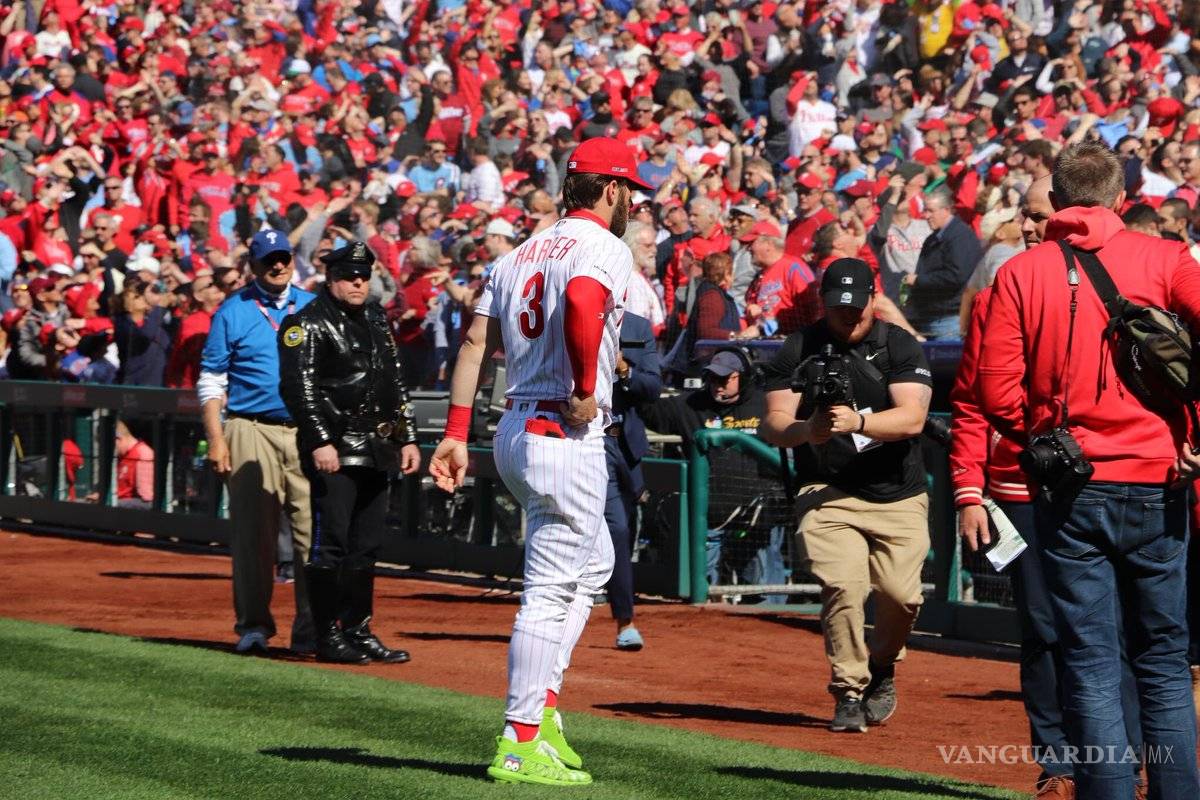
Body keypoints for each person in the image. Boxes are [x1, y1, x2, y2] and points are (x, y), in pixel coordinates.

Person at [979, 142, 1200, 799]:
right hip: (1159, 476)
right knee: (1161, 661)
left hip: (1072, 484)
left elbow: (995, 394)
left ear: (1058, 200)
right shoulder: (1164, 257)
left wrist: (1045, 435)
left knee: (1090, 661)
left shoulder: (1023, 271)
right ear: (1121, 200)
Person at [428, 136, 642, 786]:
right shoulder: (602, 245)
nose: (630, 202)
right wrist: (584, 387)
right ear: (610, 190)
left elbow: (473, 341)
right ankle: (520, 739)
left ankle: (543, 711)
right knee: (549, 590)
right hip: (561, 426)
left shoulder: (520, 250)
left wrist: (456, 431)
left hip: (516, 427)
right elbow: (581, 299)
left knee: (598, 560)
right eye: (628, 190)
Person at [761, 258, 933, 734]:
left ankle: (882, 666)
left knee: (902, 597)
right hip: (828, 490)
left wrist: (859, 422)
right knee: (844, 587)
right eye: (839, 307)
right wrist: (806, 429)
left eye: (858, 307)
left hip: (898, 493)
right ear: (823, 303)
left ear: (874, 301)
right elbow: (772, 422)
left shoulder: (898, 345)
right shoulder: (798, 346)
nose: (849, 316)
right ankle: (849, 691)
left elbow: (913, 418)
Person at [278, 240, 422, 665]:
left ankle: (357, 630)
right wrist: (321, 440)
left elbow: (394, 383)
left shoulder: (377, 318)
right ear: (331, 278)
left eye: (363, 275)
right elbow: (298, 388)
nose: (358, 282)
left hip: (377, 447)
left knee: (367, 546)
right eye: (348, 276)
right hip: (337, 448)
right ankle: (325, 634)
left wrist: (407, 436)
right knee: (332, 544)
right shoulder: (306, 323)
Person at [197, 230, 317, 656]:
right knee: (253, 535)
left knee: (311, 533)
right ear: (254, 265)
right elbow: (212, 379)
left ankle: (311, 628)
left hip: (305, 429)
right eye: (269, 260)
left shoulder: (312, 306)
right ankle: (253, 627)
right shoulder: (233, 311)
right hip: (249, 426)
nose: (278, 265)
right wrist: (217, 438)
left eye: (283, 257)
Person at [603, 312, 662, 651]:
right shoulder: (567, 316)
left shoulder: (637, 326)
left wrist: (623, 368)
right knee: (613, 528)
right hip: (579, 439)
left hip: (620, 442)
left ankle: (625, 621)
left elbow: (653, 386)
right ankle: (623, 619)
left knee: (621, 530)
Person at [903, 187, 983, 339]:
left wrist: (919, 280)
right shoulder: (935, 238)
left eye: (930, 210)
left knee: (947, 362)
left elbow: (956, 276)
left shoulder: (960, 237)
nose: (925, 216)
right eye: (925, 210)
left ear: (946, 210)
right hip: (932, 316)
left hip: (949, 318)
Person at [114, 419, 155, 509]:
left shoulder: (143, 454)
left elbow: (147, 500)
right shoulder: (120, 456)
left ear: (118, 439)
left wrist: (113, 503)